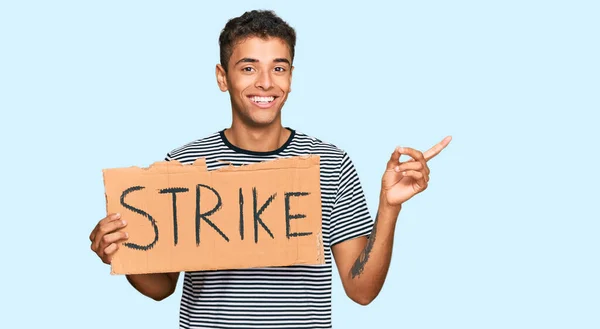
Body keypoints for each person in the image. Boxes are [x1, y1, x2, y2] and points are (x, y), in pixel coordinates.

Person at [89, 9, 451, 329]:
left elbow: (361, 291)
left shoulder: (330, 163)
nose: (266, 82)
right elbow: (162, 287)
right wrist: (125, 253)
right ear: (222, 77)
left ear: (291, 76)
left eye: (279, 68)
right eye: (249, 68)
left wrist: (389, 208)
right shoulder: (183, 166)